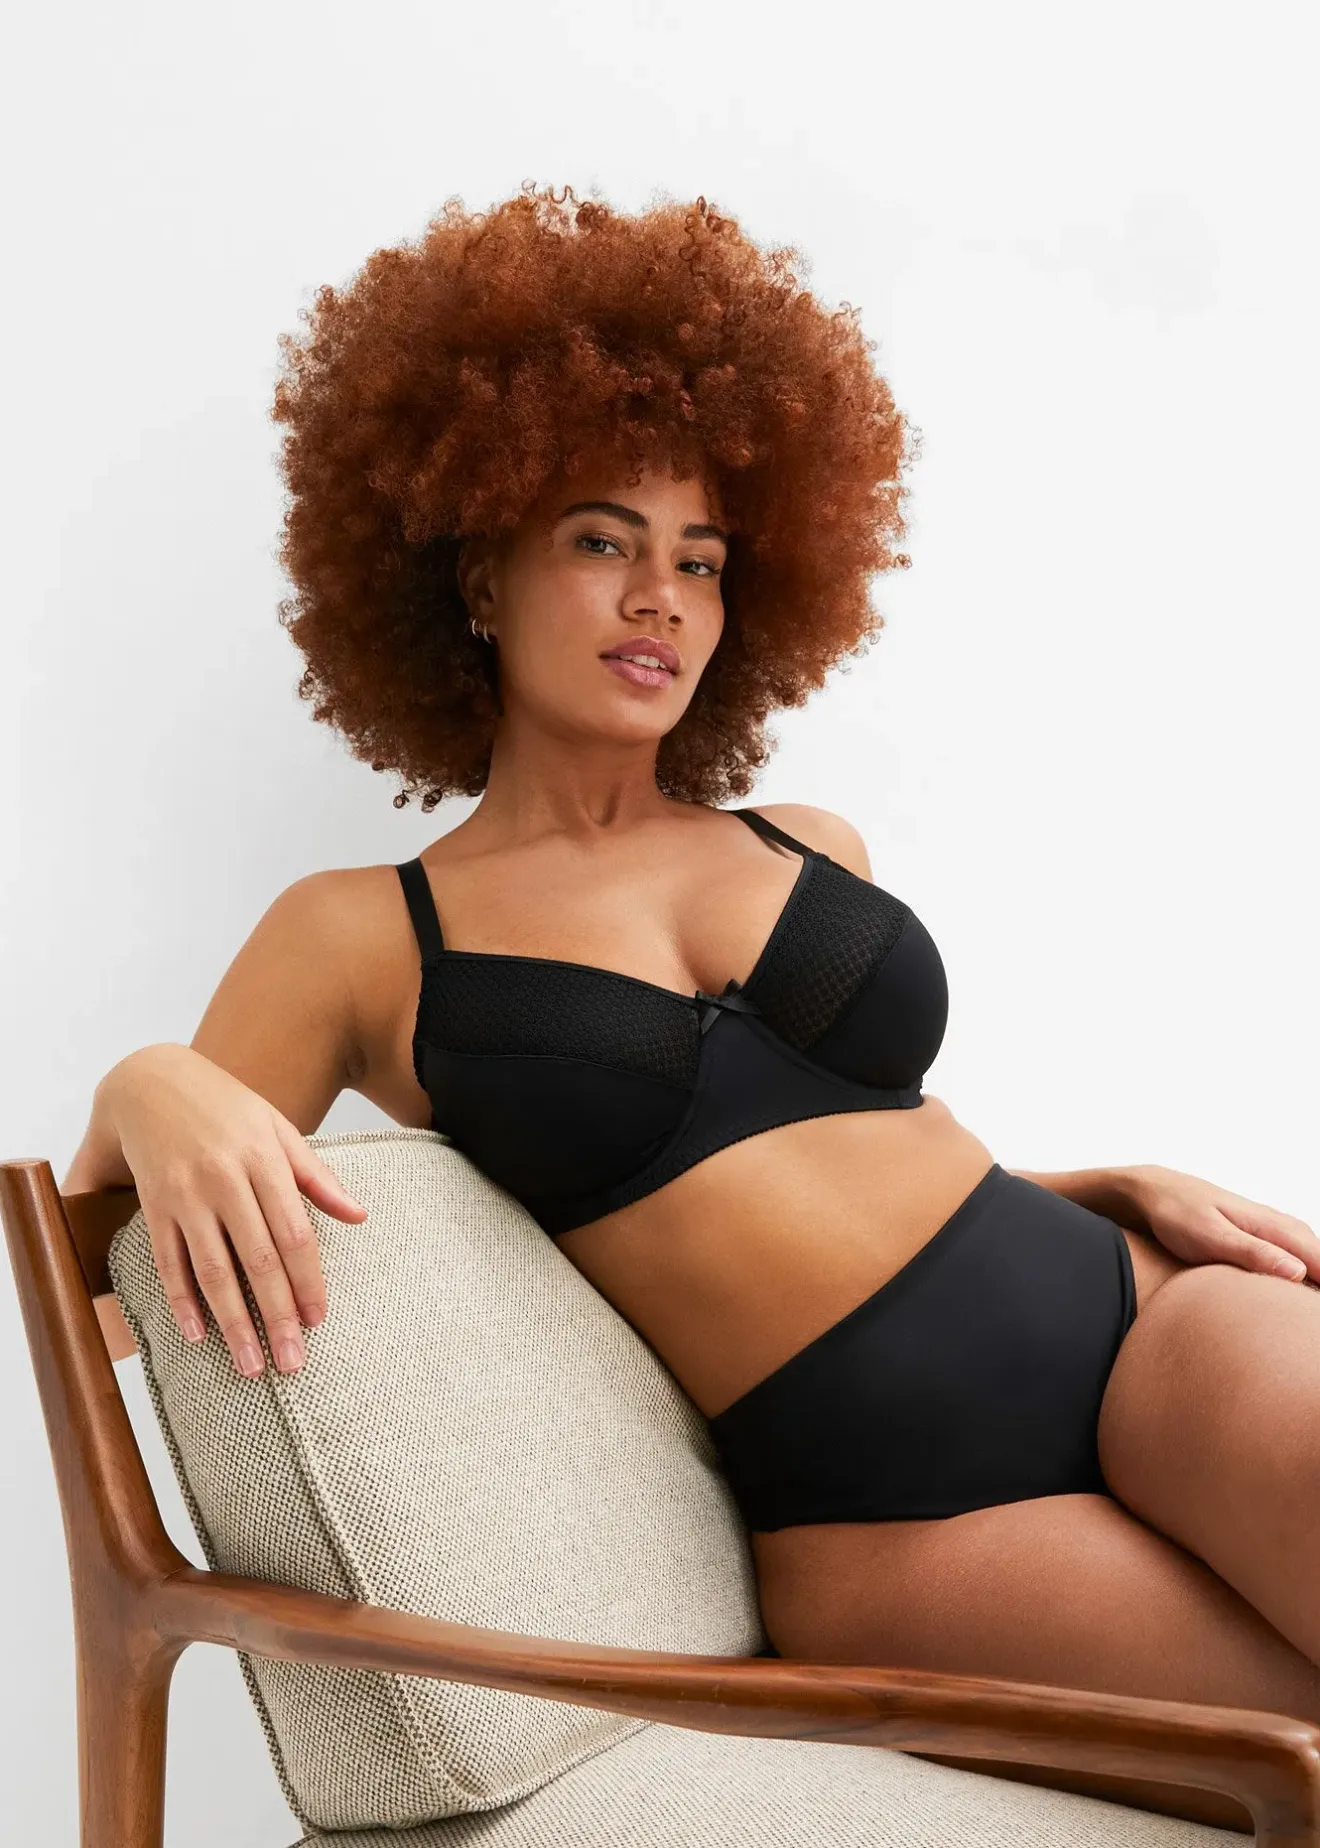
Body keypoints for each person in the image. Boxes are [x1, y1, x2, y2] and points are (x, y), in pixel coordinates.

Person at [65, 186, 1320, 1764]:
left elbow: (840, 1168)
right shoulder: (361, 935)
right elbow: (107, 1314)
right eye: (601, 541)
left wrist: (1099, 1185)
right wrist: (146, 1085)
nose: (661, 594)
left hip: (1141, 1322)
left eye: (702, 559)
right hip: (902, 1520)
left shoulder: (809, 842)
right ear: (478, 577)